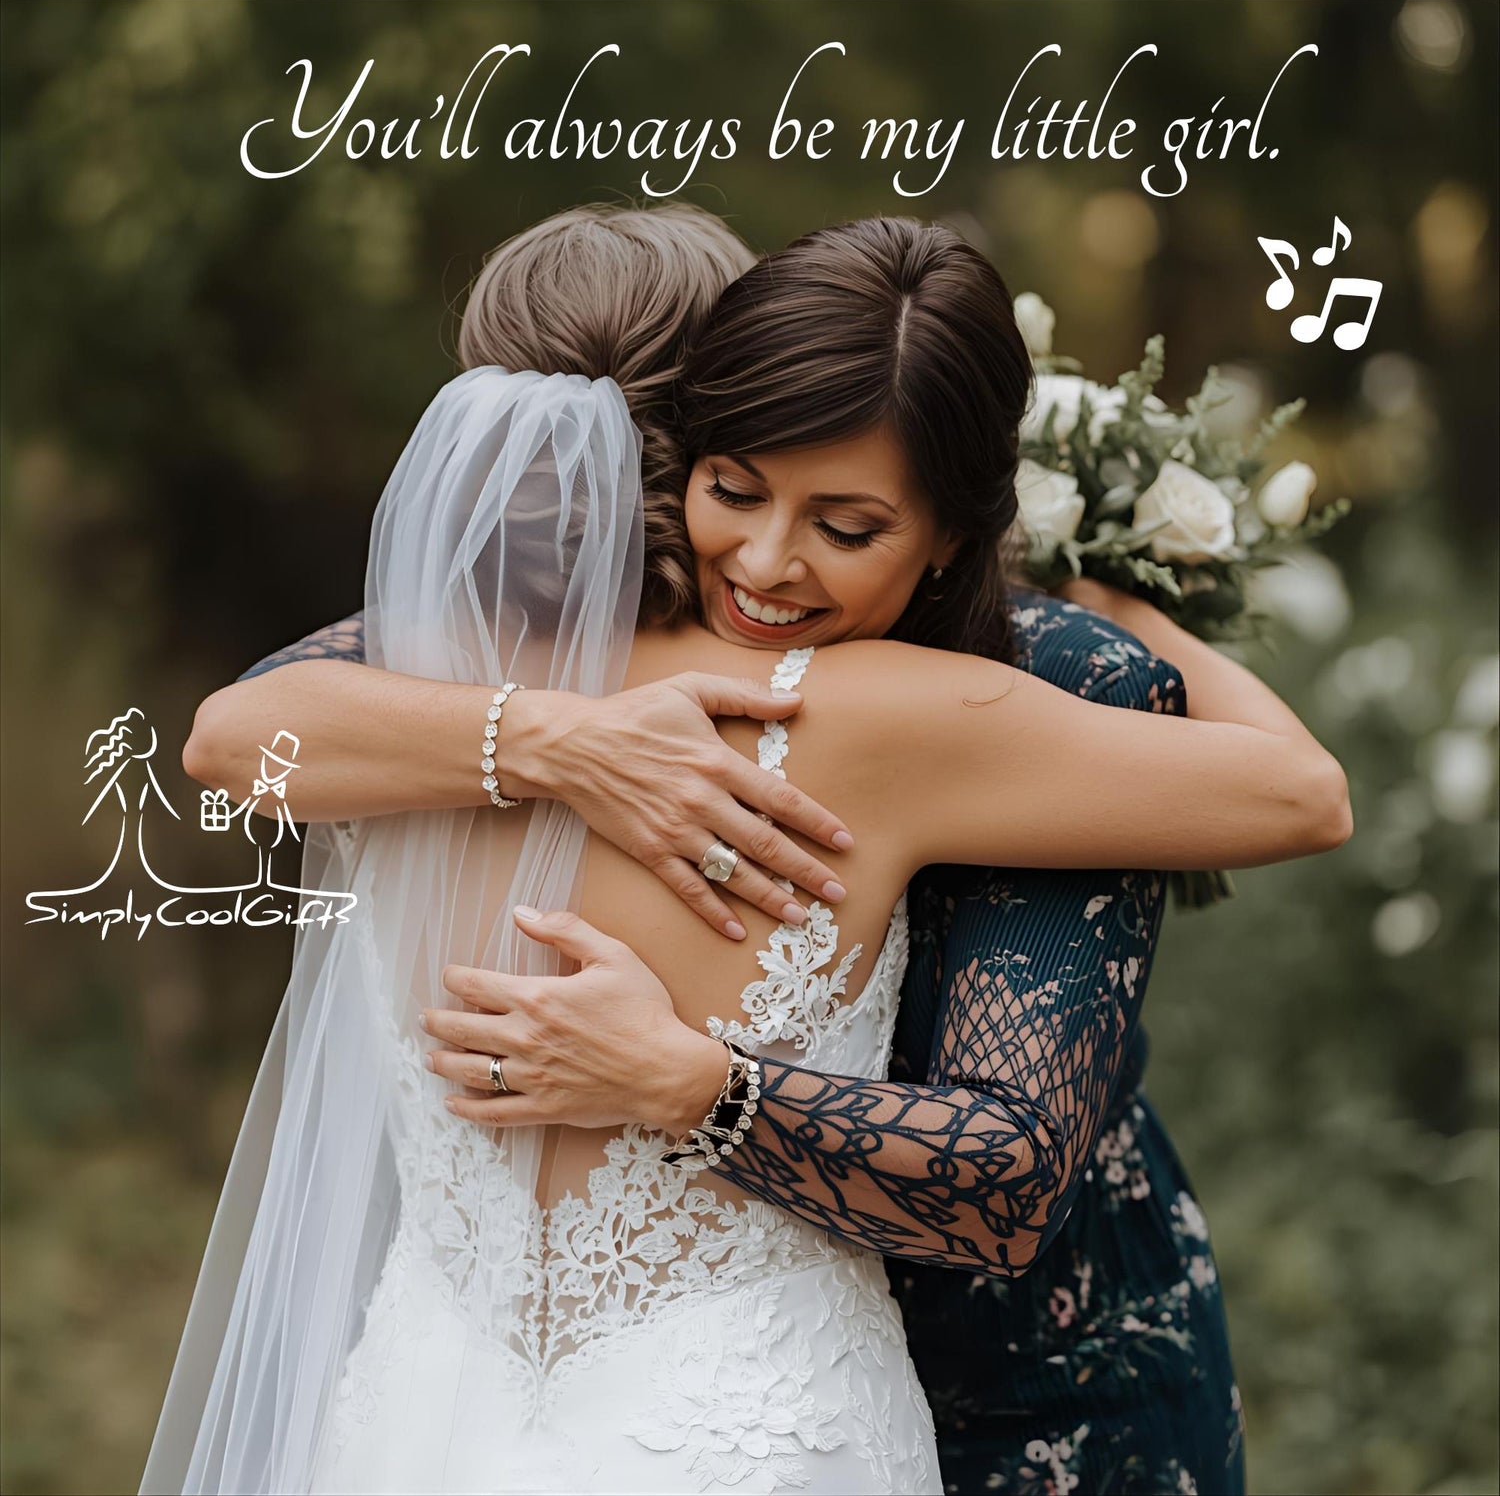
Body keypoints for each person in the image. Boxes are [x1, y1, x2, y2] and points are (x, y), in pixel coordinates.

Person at [154, 211, 1350, 1494]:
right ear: (691, 439)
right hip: (737, 1428)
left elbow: (224, 738)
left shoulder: (403, 684)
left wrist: (540, 743)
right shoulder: (881, 712)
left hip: (416, 1418)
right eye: (737, 485)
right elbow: (1304, 795)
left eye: (844, 525)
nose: (771, 561)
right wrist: (1129, 607)